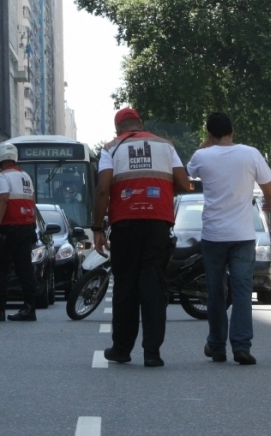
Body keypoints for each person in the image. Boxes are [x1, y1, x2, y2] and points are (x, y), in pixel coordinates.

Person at [94, 108, 192, 368]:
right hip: (158, 224)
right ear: (140, 123)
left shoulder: (110, 149)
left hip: (124, 224)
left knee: (125, 286)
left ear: (118, 129)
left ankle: (122, 349)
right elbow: (184, 183)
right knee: (153, 286)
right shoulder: (165, 146)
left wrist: (97, 229)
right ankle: (152, 353)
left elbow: (103, 188)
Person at [186, 112, 271, 366]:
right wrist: (270, 209)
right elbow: (269, 188)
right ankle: (241, 346)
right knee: (241, 291)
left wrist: (206, 146)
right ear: (233, 131)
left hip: (213, 235)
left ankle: (216, 346)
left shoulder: (202, 156)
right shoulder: (251, 153)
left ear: (210, 134)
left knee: (216, 292)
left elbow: (185, 175)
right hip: (243, 236)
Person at [0, 143, 39, 322]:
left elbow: (2, 200)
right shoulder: (26, 176)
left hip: (8, 228)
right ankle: (29, 308)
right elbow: (32, 202)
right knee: (25, 269)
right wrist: (33, 226)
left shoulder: (3, 176)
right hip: (26, 227)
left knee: (0, 268)